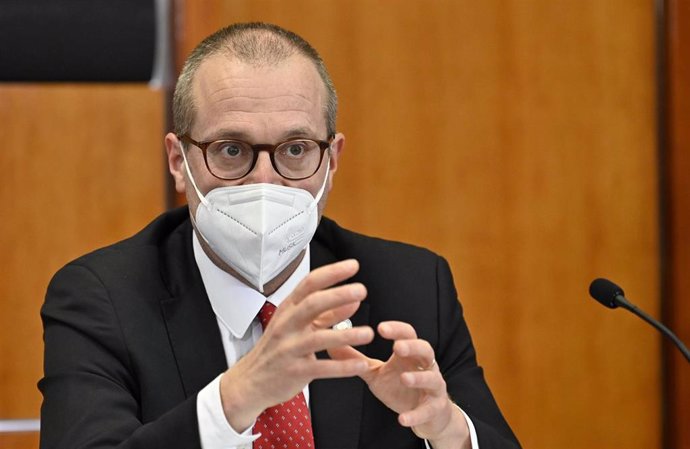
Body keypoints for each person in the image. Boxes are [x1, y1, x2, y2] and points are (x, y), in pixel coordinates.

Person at [39, 22, 520, 449]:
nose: (265, 181)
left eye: (295, 149)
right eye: (231, 149)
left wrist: (448, 430)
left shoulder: (412, 285)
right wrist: (233, 401)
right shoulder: (101, 298)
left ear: (331, 160)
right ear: (177, 162)